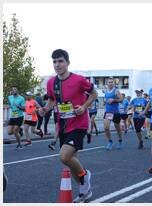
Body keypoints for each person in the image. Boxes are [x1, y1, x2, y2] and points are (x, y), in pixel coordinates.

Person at [39, 49, 97, 202]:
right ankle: (86, 192)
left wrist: (84, 107)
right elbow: (52, 100)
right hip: (63, 125)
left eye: (60, 61)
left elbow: (94, 94)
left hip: (79, 124)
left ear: (67, 63)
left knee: (64, 157)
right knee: (72, 163)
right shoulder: (51, 82)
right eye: (54, 62)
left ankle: (86, 175)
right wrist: (45, 109)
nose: (57, 65)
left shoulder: (78, 80)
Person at [103, 77, 124, 150]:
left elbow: (121, 100)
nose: (110, 83)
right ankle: (110, 141)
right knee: (106, 127)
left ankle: (120, 140)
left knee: (117, 128)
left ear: (114, 83)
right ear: (107, 83)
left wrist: (114, 100)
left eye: (112, 82)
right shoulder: (105, 91)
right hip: (108, 112)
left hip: (116, 112)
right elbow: (105, 100)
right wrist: (105, 102)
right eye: (109, 82)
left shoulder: (116, 91)